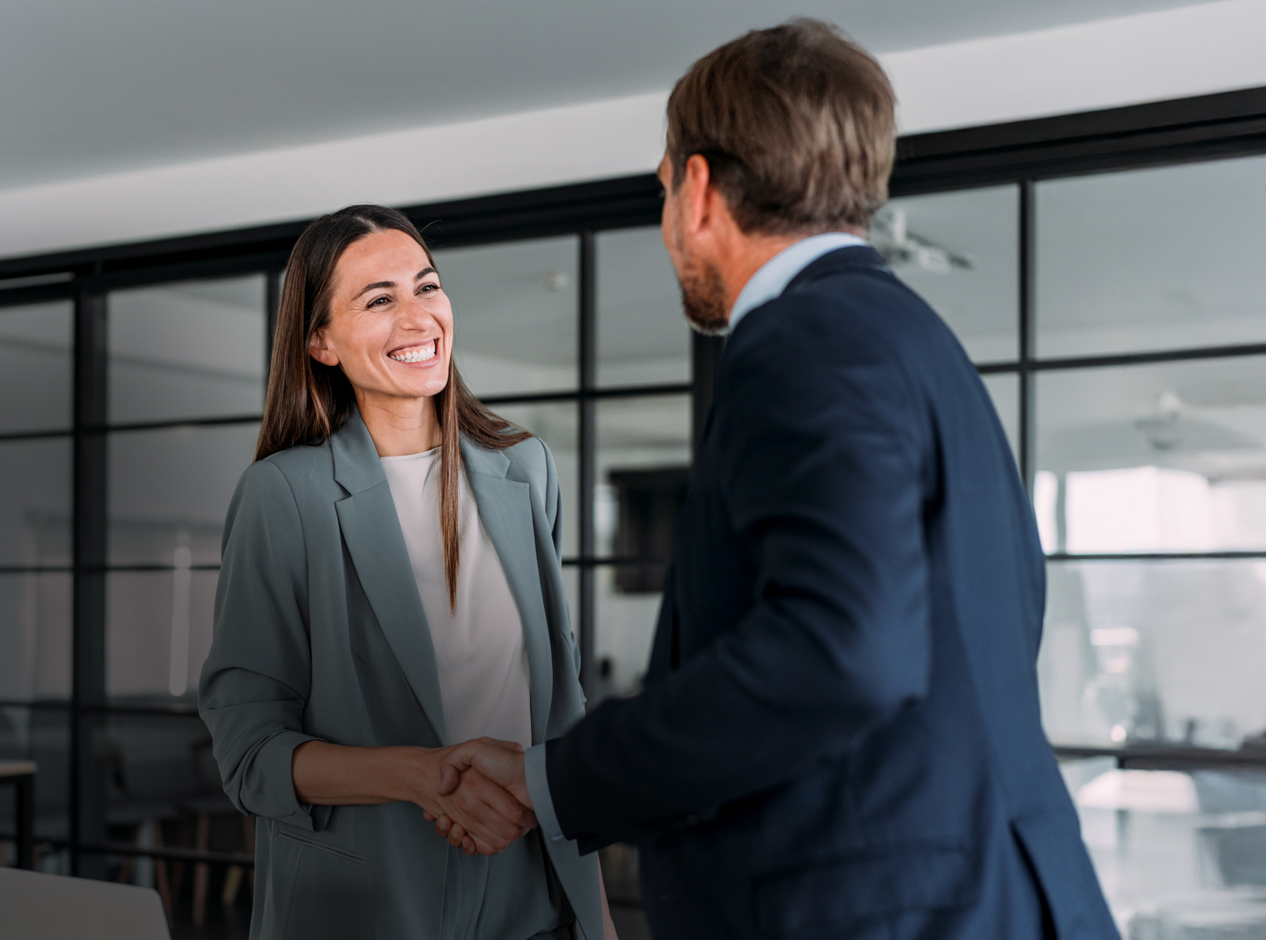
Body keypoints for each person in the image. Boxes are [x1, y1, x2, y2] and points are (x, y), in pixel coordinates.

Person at [435, 21, 1117, 940]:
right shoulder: (921, 345)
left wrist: (556, 778)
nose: (668, 219)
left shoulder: (804, 340)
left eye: (664, 189)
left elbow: (845, 649)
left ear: (701, 188)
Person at [197, 204, 616, 940]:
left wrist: (599, 916)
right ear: (321, 341)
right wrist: (427, 777)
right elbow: (250, 752)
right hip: (372, 902)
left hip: (538, 891)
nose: (419, 316)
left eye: (427, 286)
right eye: (380, 298)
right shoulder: (285, 495)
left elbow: (562, 699)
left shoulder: (528, 467)